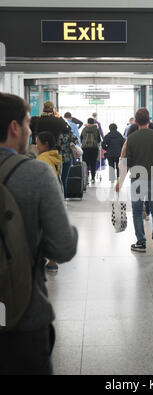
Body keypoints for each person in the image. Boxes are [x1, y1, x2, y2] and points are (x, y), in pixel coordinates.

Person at [0, 93, 78, 375]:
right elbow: (64, 248)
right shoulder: (36, 173)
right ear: (14, 128)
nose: (31, 133)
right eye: (27, 125)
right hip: (25, 315)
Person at [116, 108, 153, 254]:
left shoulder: (131, 138)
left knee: (138, 211)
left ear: (136, 121)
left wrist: (120, 182)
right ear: (149, 120)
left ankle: (141, 242)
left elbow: (126, 163)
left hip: (137, 178)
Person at [36, 131, 63, 273]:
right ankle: (52, 261)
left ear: (45, 145)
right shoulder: (54, 157)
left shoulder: (42, 159)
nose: (36, 146)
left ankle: (48, 260)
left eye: (38, 143)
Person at [59, 127, 79, 198]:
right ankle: (64, 197)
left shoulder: (57, 133)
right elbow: (76, 141)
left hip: (58, 158)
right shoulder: (70, 134)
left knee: (58, 177)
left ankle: (59, 196)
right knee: (64, 178)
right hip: (68, 158)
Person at [81, 118, 101, 184]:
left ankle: (86, 178)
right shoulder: (96, 129)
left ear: (88, 122)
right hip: (94, 148)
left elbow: (81, 138)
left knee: (86, 163)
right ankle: (93, 178)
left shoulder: (84, 129)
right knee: (93, 163)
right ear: (93, 122)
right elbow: (99, 140)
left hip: (85, 148)